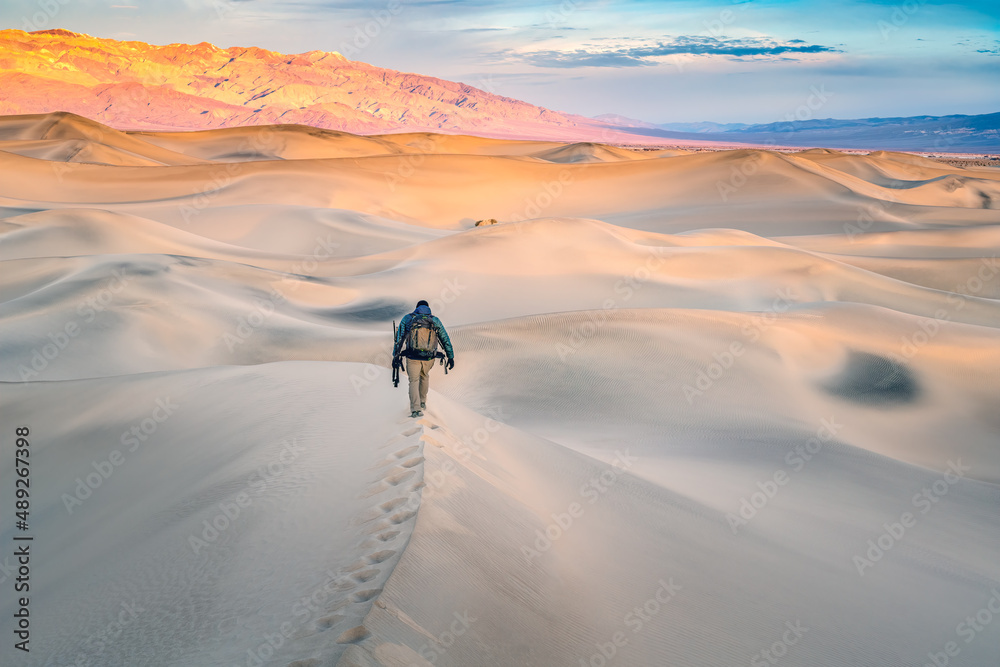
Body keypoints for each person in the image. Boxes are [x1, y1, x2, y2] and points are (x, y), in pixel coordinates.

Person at [393, 300, 454, 418]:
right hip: (429, 357)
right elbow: (445, 338)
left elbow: (399, 338)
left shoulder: (408, 318)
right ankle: (422, 403)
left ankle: (416, 410)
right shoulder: (434, 320)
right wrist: (450, 356)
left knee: (413, 381)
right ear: (427, 308)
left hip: (412, 356)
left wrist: (395, 355)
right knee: (424, 376)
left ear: (416, 308)